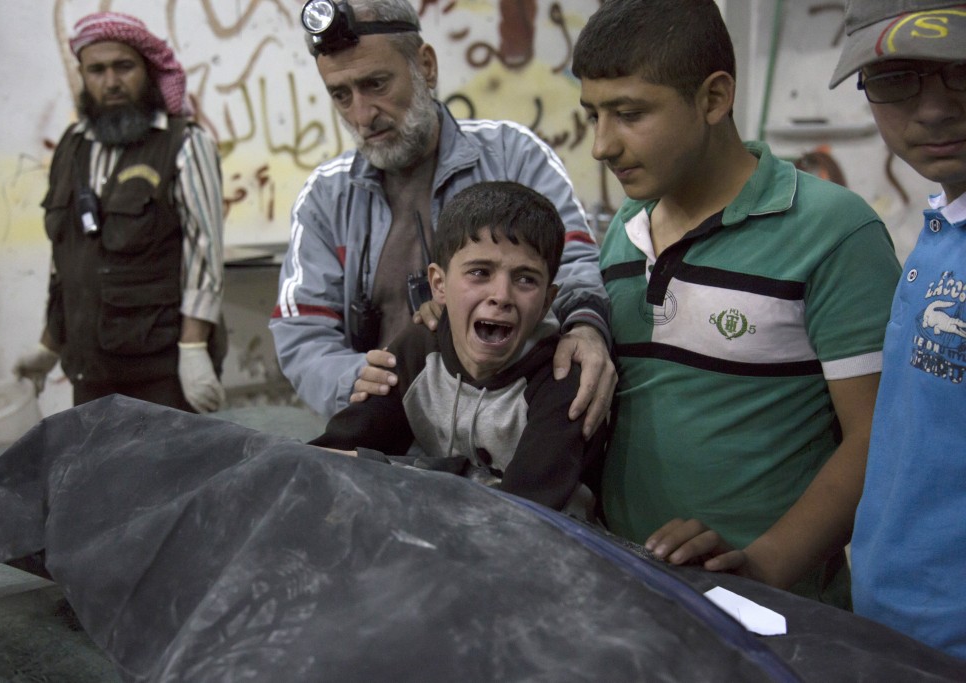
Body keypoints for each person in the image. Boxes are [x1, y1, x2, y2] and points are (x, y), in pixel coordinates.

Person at [572, 0, 903, 605]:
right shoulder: (625, 231)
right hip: (632, 594)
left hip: (777, 618)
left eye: (629, 113)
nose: (601, 145)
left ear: (714, 98)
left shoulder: (832, 232)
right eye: (593, 113)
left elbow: (879, 436)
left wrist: (765, 566)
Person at [271, 0, 614, 438]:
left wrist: (586, 327)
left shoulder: (515, 156)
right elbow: (301, 330)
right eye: (341, 94)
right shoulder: (325, 197)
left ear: (425, 67)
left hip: (509, 436)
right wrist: (353, 377)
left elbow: (576, 264)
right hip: (386, 445)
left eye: (375, 84)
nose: (361, 114)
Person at [309, 181, 607, 518]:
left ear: (547, 302)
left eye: (525, 279)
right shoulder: (418, 348)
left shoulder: (564, 381)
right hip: (446, 533)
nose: (502, 295)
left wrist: (386, 467)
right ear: (438, 285)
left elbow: (523, 514)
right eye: (480, 272)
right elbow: (332, 454)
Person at [828, 0, 966, 658]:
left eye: (964, 70)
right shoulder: (943, 227)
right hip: (896, 632)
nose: (934, 109)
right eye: (894, 78)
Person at [13, 12, 227, 413]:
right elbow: (66, 261)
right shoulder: (71, 146)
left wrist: (194, 347)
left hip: (162, 368)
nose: (110, 82)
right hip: (90, 368)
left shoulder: (184, 143)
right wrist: (49, 344)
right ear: (83, 75)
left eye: (123, 67)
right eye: (96, 70)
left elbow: (205, 253)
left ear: (147, 70)